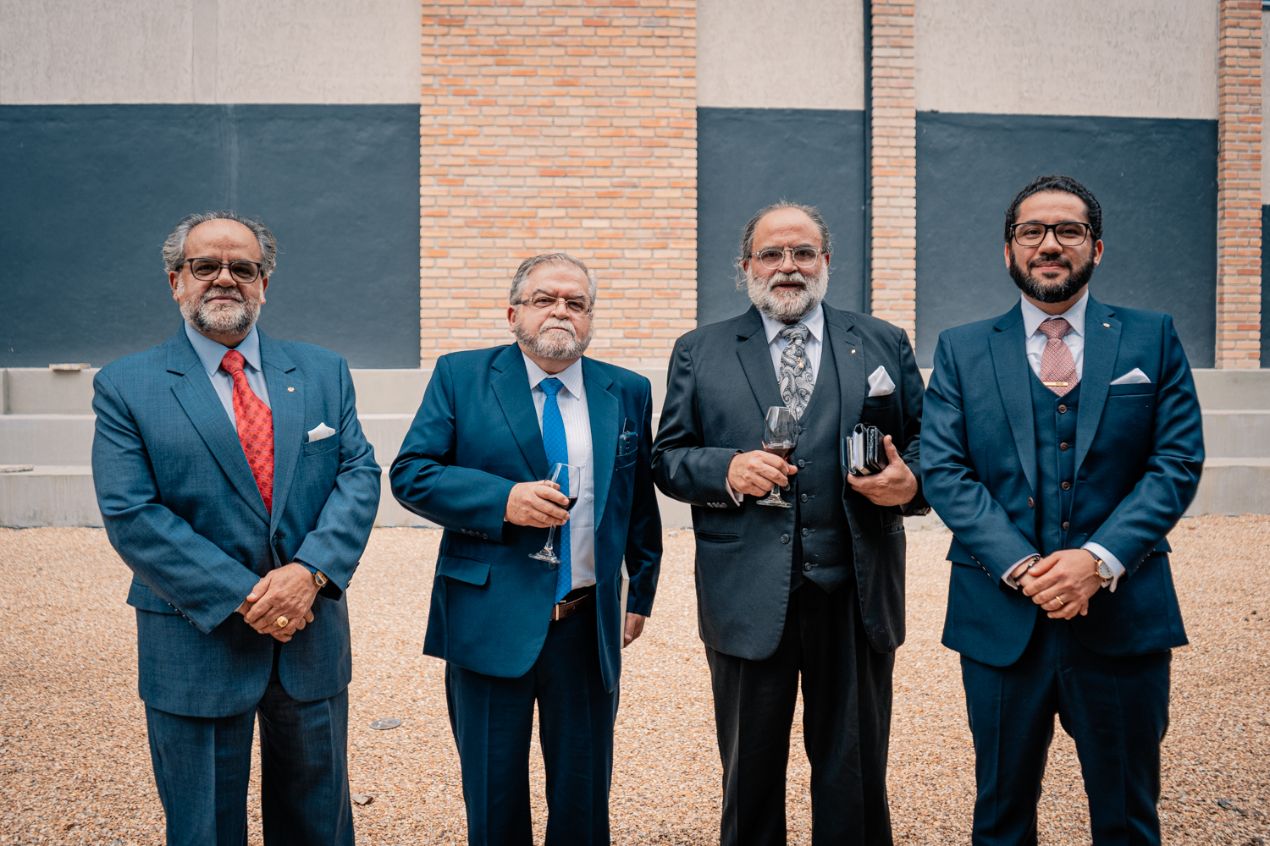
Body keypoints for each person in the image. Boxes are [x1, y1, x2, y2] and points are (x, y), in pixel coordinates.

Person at [920, 174, 1205, 845]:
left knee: (1128, 818)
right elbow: (945, 470)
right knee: (1000, 820)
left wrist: (1098, 561)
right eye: (1032, 232)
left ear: (1096, 248)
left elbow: (1175, 462)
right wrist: (1022, 566)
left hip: (1123, 617)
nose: (1049, 244)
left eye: (1068, 231)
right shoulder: (961, 348)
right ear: (1009, 250)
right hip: (1000, 619)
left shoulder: (1152, 337)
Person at [91, 212, 382, 844]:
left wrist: (309, 574)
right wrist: (250, 596)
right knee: (205, 829)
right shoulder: (126, 385)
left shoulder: (324, 371)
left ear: (263, 285)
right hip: (197, 640)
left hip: (309, 636)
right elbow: (131, 513)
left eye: (243, 268)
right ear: (176, 280)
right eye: (205, 266)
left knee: (319, 825)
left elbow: (358, 474)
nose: (225, 279)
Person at [652, 202, 925, 845]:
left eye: (803, 252)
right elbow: (668, 458)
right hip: (746, 591)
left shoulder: (882, 340)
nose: (788, 266)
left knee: (855, 772)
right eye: (772, 253)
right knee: (749, 776)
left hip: (855, 589)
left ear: (825, 261)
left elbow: (929, 445)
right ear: (747, 266)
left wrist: (911, 483)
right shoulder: (700, 350)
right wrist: (726, 469)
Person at [390, 252, 661, 845]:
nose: (561, 311)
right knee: (494, 800)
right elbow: (411, 474)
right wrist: (501, 499)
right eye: (545, 300)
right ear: (514, 314)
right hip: (490, 618)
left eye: (576, 303)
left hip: (586, 624)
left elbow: (638, 500)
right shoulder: (461, 376)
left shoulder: (627, 390)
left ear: (590, 318)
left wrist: (640, 591)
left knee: (584, 802)